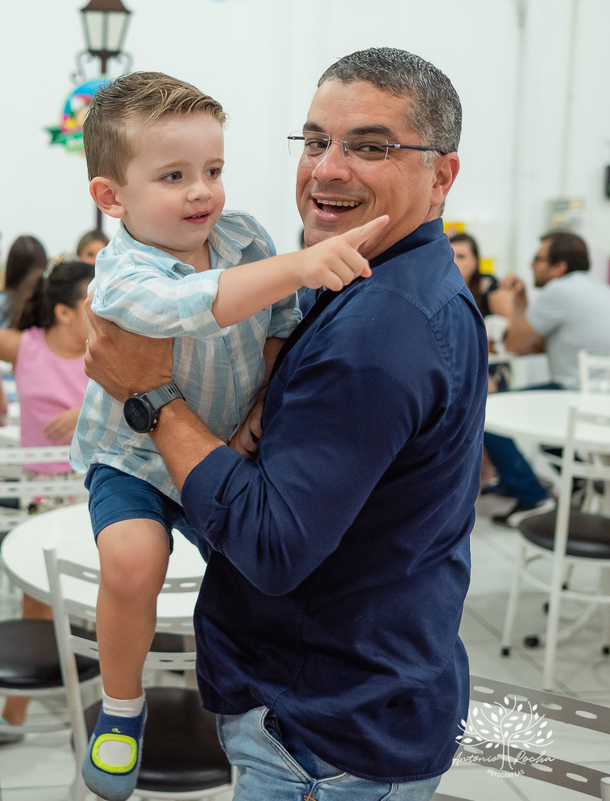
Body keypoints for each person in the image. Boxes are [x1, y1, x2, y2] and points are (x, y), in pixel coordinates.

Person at [82, 48, 478, 801]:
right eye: (315, 141)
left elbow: (270, 544)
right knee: (132, 560)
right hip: (355, 696)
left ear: (441, 175)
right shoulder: (379, 279)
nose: (328, 168)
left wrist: (153, 395)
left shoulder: (378, 327)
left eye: (369, 146)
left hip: (322, 734)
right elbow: (248, 323)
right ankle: (121, 706)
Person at [0, 260, 94, 743]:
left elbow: (139, 396)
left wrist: (85, 411)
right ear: (64, 312)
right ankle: (14, 715)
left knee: (102, 594)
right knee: (39, 599)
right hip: (41, 489)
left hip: (94, 484)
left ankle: (103, 701)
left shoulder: (105, 348)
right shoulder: (28, 346)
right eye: (91, 301)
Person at [482, 230, 610, 524]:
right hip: (599, 396)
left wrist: (520, 297)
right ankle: (580, 484)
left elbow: (516, 344)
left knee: (487, 411)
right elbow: (534, 344)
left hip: (577, 393)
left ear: (559, 267)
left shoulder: (559, 291)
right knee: (547, 436)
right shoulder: (598, 288)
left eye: (538, 259)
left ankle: (532, 497)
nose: (531, 265)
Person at [449, 231, 498, 317]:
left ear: (475, 262)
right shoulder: (438, 290)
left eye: (460, 256)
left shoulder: (489, 284)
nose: (453, 261)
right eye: (449, 256)